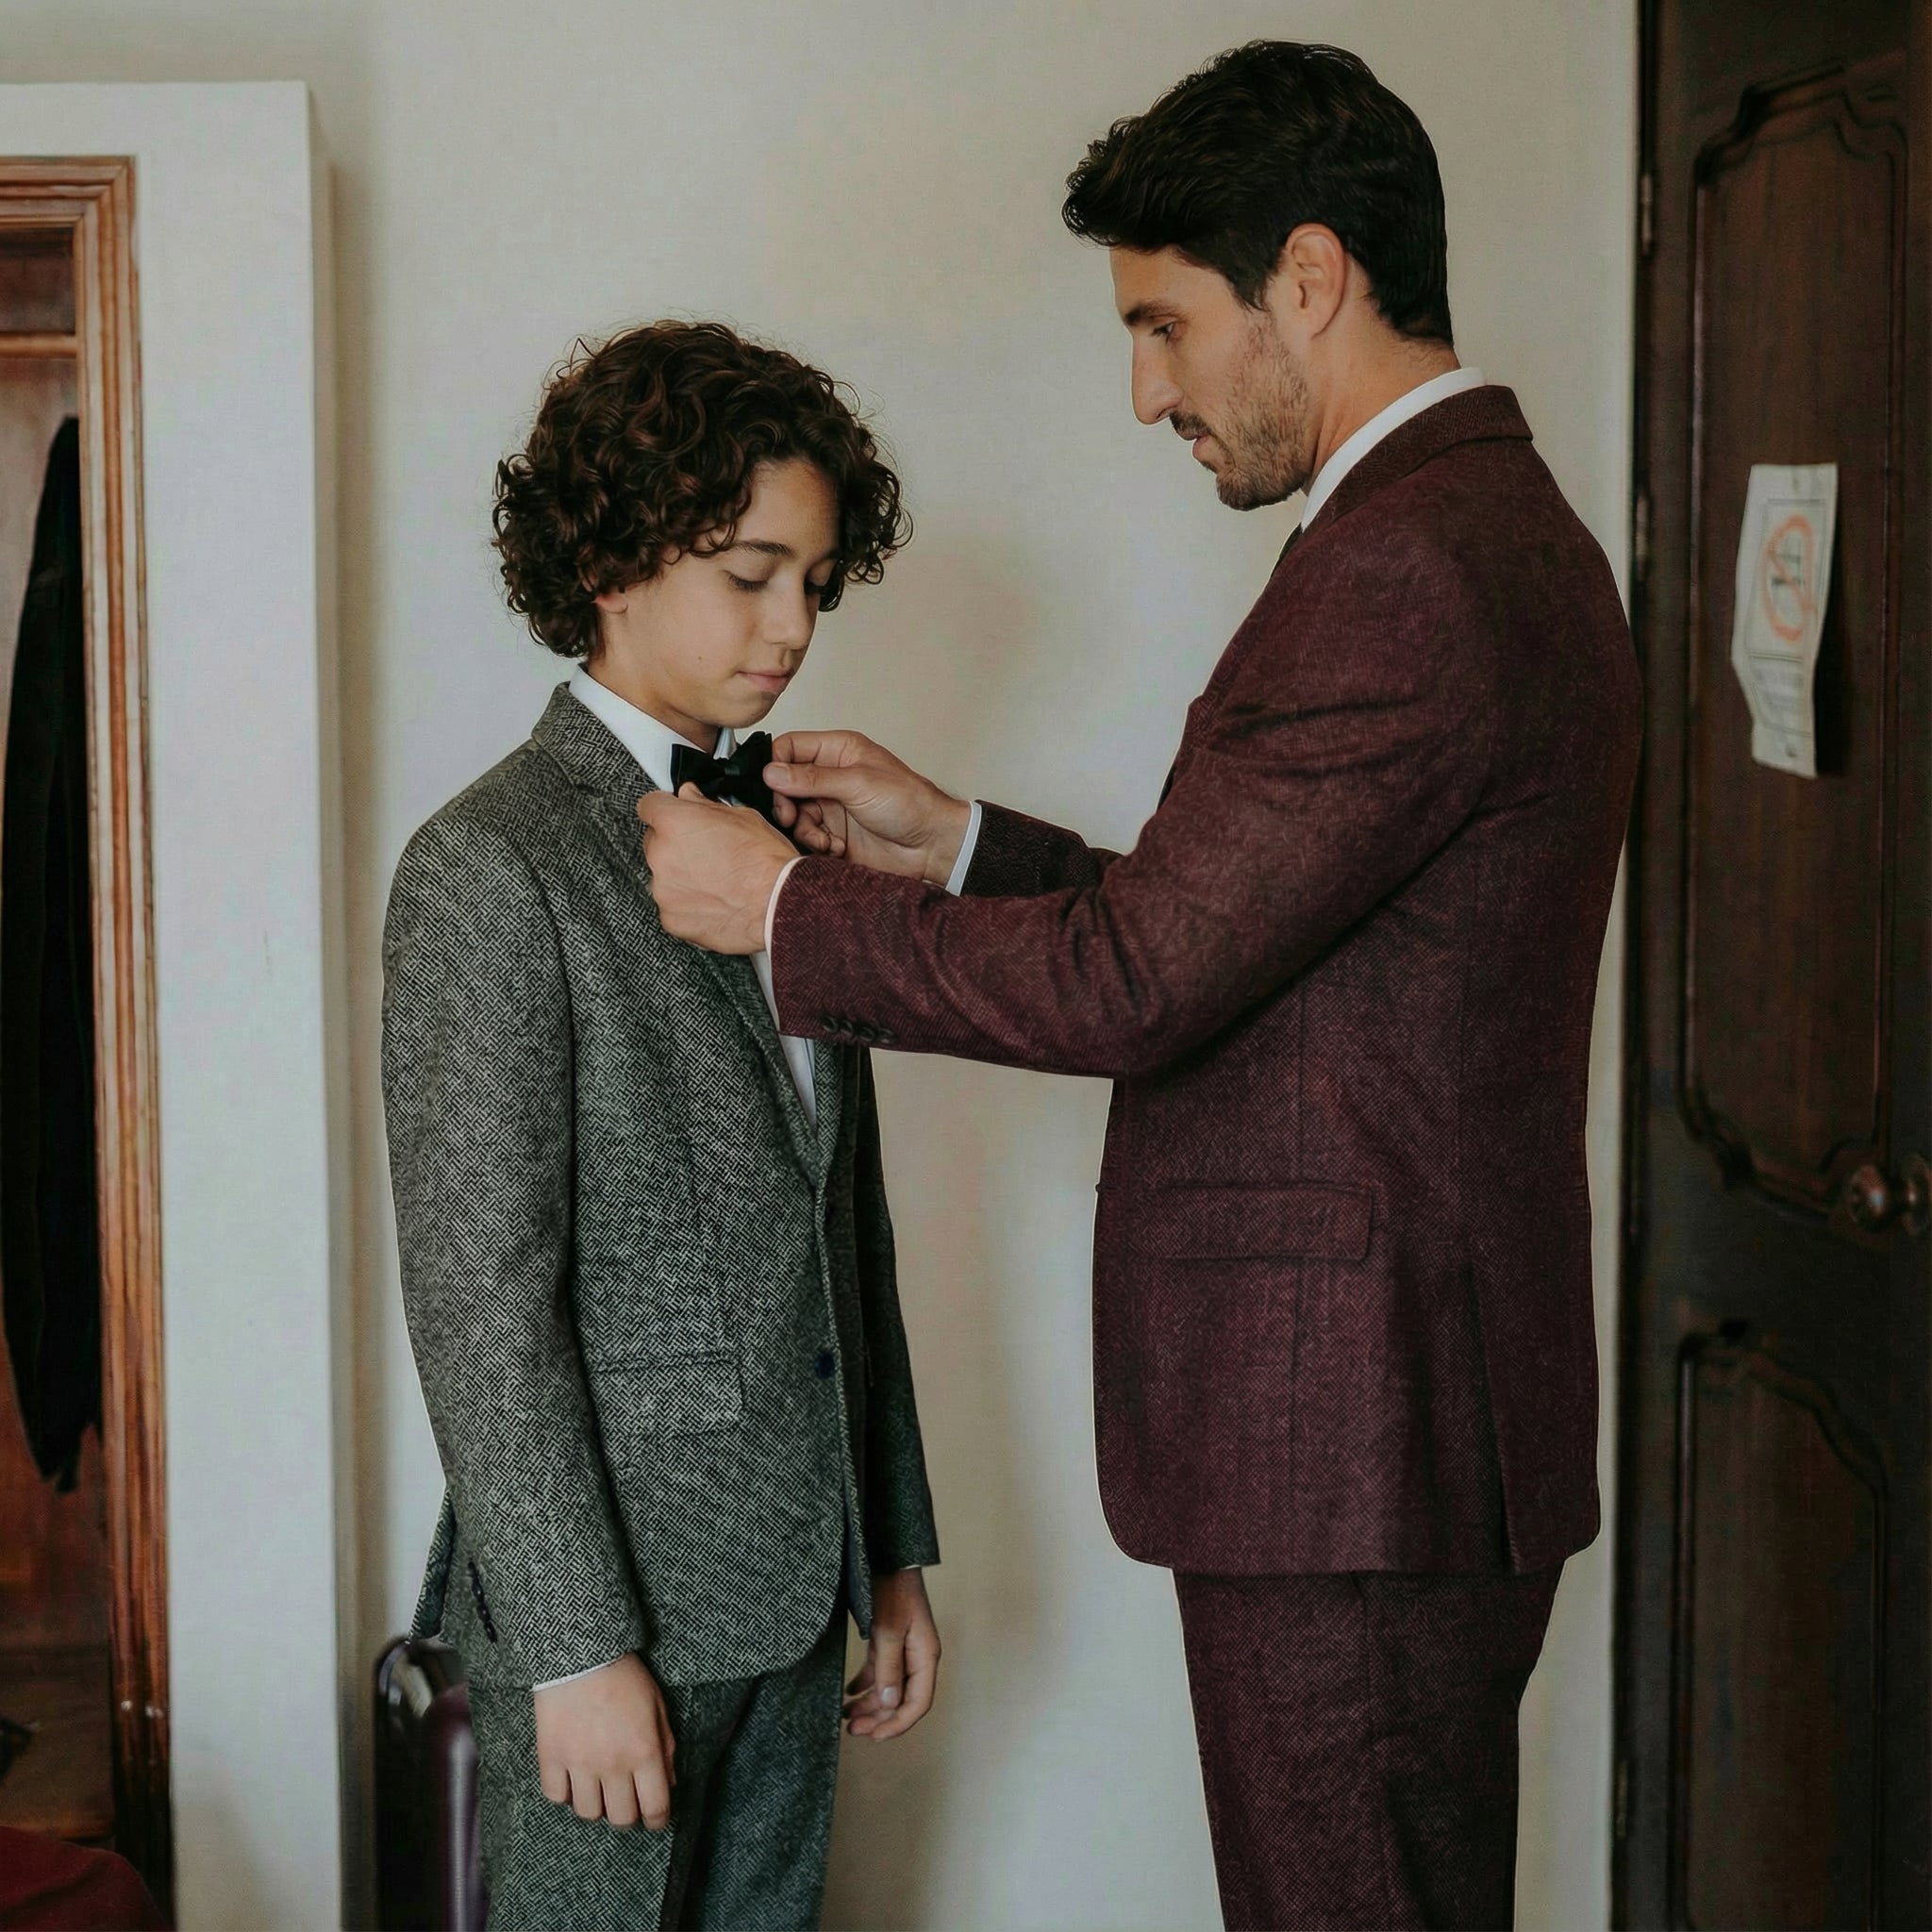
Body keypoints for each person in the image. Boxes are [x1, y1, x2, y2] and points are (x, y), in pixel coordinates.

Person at [637, 42, 1641, 1932]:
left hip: (1351, 1453)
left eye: (1166, 324)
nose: (1143, 389)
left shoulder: (1401, 569)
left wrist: (782, 918)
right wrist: (958, 844)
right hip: (1399, 1440)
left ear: (1311, 280)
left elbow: (1138, 986)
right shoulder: (1482, 532)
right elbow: (1268, 947)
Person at [382, 320, 941, 1932]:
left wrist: (887, 1549)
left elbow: (849, 1227)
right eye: (751, 572)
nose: (794, 627)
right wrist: (571, 1646)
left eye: (819, 583)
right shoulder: (491, 866)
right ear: (614, 562)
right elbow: (482, 1297)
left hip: (796, 1586)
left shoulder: (790, 854)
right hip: (611, 1616)